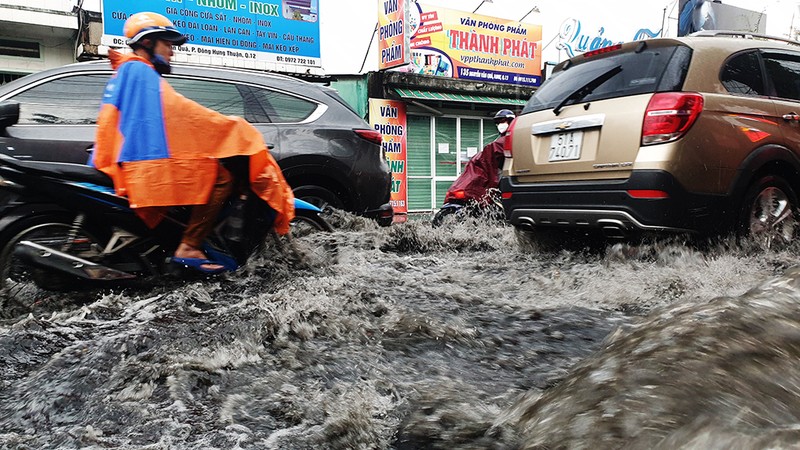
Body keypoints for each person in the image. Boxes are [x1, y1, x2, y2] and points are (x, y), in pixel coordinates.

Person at [92, 12, 295, 273]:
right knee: (220, 176)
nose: (172, 53)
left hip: (122, 158)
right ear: (147, 42)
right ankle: (189, 246)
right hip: (140, 163)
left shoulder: (127, 70)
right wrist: (232, 127)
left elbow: (169, 118)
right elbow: (180, 113)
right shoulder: (140, 72)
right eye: (167, 44)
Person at [433, 109, 515, 225]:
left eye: (503, 121)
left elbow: (490, 155)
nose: (500, 125)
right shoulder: (499, 141)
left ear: (511, 122)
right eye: (498, 122)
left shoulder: (507, 140)